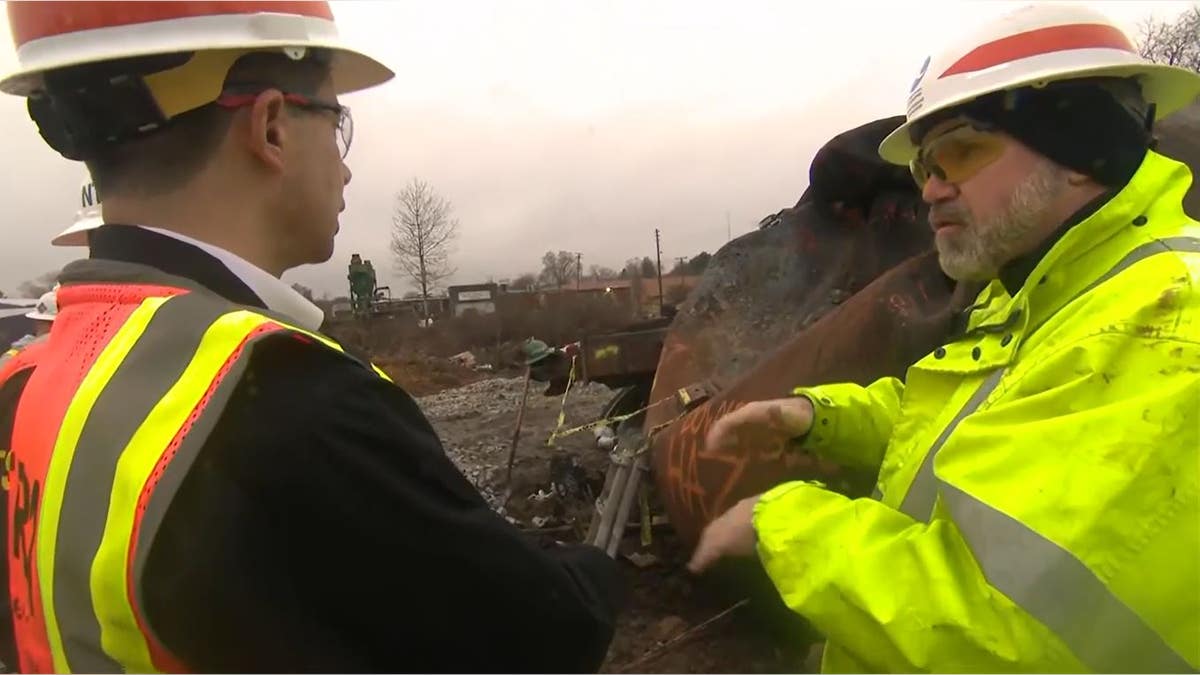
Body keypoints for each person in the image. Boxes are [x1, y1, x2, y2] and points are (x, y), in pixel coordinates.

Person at [0, 2, 621, 673]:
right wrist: (605, 571)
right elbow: (545, 635)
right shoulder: (280, 397)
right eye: (336, 121)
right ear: (271, 127)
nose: (346, 167)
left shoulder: (29, 382)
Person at [689, 4, 1200, 673]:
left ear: (1082, 152)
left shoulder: (1165, 325)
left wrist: (779, 523)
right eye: (924, 165)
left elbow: (990, 626)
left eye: (962, 150)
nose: (930, 189)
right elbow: (983, 414)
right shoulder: (1041, 292)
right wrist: (822, 418)